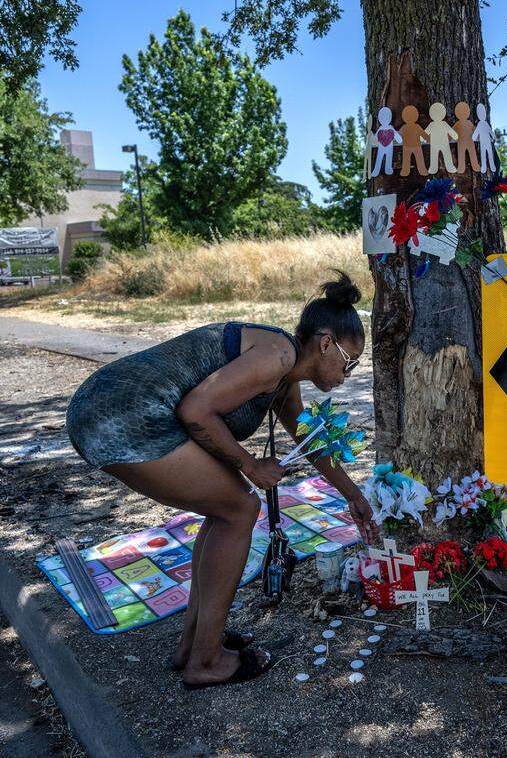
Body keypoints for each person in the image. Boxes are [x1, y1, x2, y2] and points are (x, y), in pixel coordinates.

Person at [65, 271, 379, 690]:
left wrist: (353, 495)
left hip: (111, 409)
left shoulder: (284, 379)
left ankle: (195, 644)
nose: (349, 374)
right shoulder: (277, 356)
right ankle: (207, 661)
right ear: (325, 343)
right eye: (350, 361)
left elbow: (310, 440)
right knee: (240, 507)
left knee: (226, 508)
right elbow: (197, 410)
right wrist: (250, 465)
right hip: (118, 412)